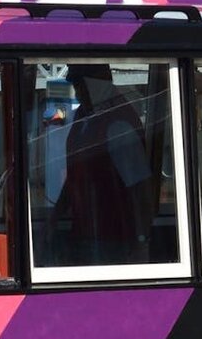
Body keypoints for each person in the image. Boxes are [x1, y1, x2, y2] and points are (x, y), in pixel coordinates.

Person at [50, 63, 153, 265]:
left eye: (80, 86)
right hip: (85, 232)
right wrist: (53, 219)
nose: (77, 93)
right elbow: (75, 178)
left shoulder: (118, 124)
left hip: (113, 240)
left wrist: (141, 241)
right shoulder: (84, 117)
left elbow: (140, 188)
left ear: (94, 84)